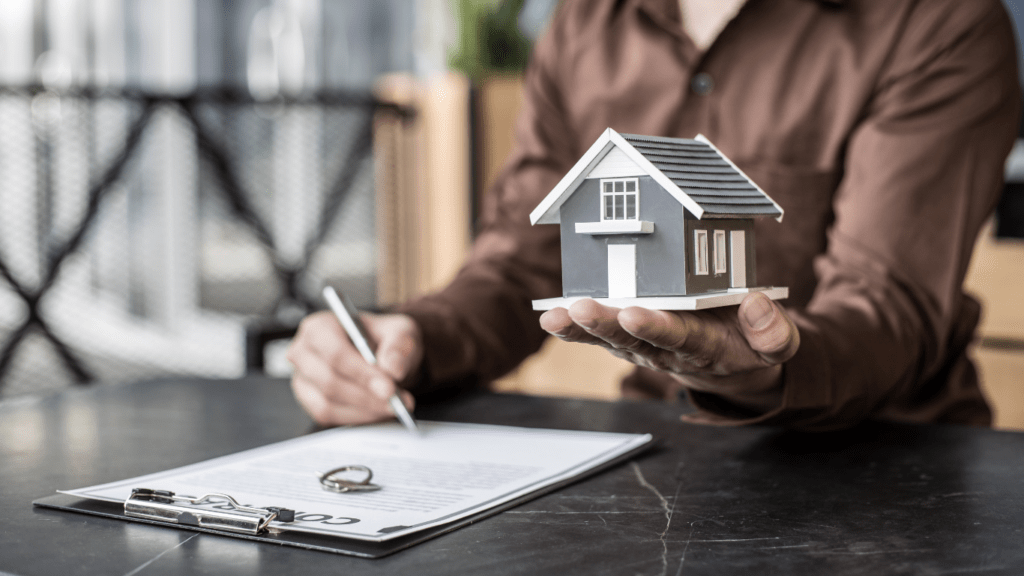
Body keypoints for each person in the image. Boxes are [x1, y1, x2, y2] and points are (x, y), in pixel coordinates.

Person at [287, 0, 1021, 431]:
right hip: (658, 462)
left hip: (896, 476)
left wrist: (750, 366)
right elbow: (527, 257)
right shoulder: (584, 22)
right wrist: (417, 335)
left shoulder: (939, 20)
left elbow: (888, 302)